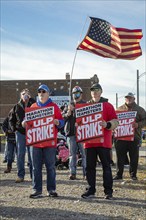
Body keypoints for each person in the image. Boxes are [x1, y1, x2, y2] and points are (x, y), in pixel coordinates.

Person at [25, 84, 64, 199]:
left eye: (44, 92)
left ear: (48, 94)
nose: (41, 94)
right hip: (36, 142)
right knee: (35, 167)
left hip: (50, 143)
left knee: (50, 167)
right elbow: (27, 120)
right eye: (39, 92)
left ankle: (51, 189)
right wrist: (24, 122)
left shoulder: (54, 107)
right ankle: (37, 190)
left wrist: (58, 122)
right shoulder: (33, 106)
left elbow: (62, 122)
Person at [81, 83, 119, 200]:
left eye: (97, 90)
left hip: (104, 142)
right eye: (92, 90)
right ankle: (90, 190)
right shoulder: (85, 106)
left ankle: (108, 192)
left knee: (106, 167)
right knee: (89, 167)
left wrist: (107, 124)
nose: (95, 92)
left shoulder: (108, 105)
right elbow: (79, 122)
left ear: (101, 92)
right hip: (89, 142)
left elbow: (115, 122)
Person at [113, 92, 146, 181]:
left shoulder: (140, 110)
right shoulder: (119, 109)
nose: (128, 99)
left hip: (134, 137)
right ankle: (119, 174)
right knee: (120, 157)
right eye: (127, 98)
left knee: (134, 157)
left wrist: (138, 124)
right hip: (121, 137)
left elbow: (145, 120)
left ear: (134, 99)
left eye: (130, 98)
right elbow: (114, 121)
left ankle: (133, 175)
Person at [9, 88, 35, 183]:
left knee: (32, 155)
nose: (25, 95)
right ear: (21, 96)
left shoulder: (33, 105)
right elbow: (11, 119)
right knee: (20, 155)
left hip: (31, 132)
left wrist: (31, 100)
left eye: (27, 94)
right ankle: (20, 175)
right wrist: (14, 129)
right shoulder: (16, 106)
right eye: (23, 93)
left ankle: (33, 176)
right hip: (20, 133)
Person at [63, 86, 86, 180]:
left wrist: (75, 110)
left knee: (85, 154)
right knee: (72, 154)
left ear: (81, 94)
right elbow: (62, 118)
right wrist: (67, 113)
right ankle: (72, 173)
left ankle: (86, 173)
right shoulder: (69, 105)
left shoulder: (85, 104)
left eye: (77, 93)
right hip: (71, 133)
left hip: (83, 133)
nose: (75, 95)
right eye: (74, 94)